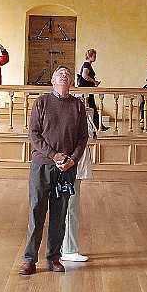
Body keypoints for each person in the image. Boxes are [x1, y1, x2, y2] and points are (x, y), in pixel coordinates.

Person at [19, 66, 88, 275]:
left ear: (71, 82)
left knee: (60, 214)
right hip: (42, 165)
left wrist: (72, 160)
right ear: (52, 80)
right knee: (36, 211)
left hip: (66, 168)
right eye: (60, 73)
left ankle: (53, 257)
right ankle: (29, 259)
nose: (64, 75)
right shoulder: (42, 102)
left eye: (67, 74)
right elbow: (34, 134)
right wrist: (53, 155)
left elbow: (82, 138)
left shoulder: (77, 105)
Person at [61, 108, 97, 262]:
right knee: (70, 206)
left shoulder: (82, 114)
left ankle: (66, 247)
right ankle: (68, 249)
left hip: (72, 165)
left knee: (71, 206)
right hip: (68, 166)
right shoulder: (70, 115)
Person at [78, 48, 108, 131]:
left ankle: (99, 125)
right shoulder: (87, 65)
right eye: (94, 56)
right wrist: (94, 81)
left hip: (88, 90)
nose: (95, 58)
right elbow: (84, 75)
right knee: (92, 107)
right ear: (90, 56)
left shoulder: (87, 65)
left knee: (93, 107)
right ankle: (99, 126)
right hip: (86, 90)